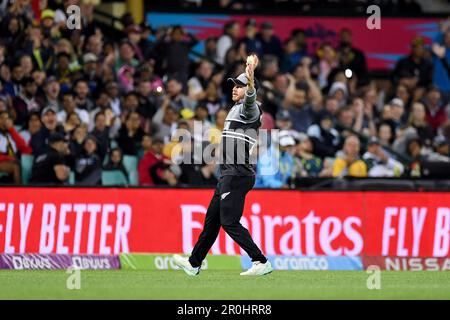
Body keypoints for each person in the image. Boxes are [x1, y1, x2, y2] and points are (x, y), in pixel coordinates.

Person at [173, 54, 272, 276]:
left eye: (239, 85)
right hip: (228, 174)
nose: (234, 89)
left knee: (229, 222)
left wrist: (250, 77)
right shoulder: (235, 110)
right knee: (211, 223)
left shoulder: (251, 108)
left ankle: (260, 261)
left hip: (237, 173)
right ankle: (194, 263)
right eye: (234, 86)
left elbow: (249, 98)